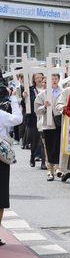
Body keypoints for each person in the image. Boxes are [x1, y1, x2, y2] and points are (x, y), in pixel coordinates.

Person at [0, 86, 23, 246]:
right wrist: (14, 98)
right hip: (0, 155)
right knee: (0, 197)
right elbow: (17, 119)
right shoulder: (1, 114)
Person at [34, 73, 63, 181]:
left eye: (56, 78)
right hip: (48, 124)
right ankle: (50, 171)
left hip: (61, 124)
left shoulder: (63, 92)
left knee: (60, 147)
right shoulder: (43, 94)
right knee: (49, 148)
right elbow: (36, 109)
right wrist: (44, 107)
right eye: (52, 79)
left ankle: (59, 168)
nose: (54, 80)